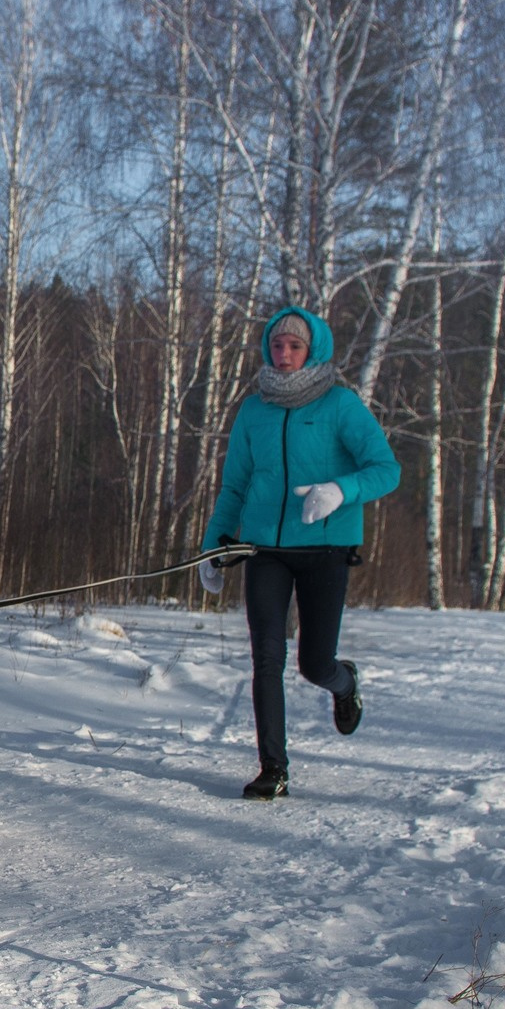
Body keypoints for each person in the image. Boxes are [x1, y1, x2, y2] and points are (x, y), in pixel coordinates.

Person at [199, 305, 400, 800]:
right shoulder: (254, 410)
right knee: (267, 657)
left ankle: (344, 682)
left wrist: (339, 489)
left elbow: (386, 469)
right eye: (277, 345)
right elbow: (235, 484)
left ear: (314, 351)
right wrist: (213, 545)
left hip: (325, 549)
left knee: (314, 664)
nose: (283, 354)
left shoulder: (340, 405)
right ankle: (274, 767)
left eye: (294, 346)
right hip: (263, 548)